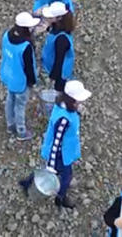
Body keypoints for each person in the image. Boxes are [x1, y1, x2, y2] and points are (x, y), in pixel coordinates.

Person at [18, 79, 92, 208]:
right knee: (66, 176)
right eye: (78, 99)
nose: (81, 101)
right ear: (71, 100)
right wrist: (52, 164)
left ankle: (27, 182)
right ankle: (60, 198)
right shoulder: (64, 120)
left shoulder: (61, 105)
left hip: (62, 150)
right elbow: (56, 143)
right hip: (60, 154)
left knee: (45, 168)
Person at [0, 11, 40, 139]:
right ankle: (21, 131)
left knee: (9, 100)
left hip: (8, 75)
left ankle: (10, 125)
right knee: (20, 105)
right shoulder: (25, 47)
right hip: (20, 81)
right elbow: (29, 68)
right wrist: (32, 82)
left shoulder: (7, 35)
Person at [40, 2, 74, 92]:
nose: (47, 18)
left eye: (51, 17)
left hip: (59, 76)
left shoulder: (61, 39)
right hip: (49, 68)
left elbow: (59, 61)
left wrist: (52, 78)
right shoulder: (54, 28)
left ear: (59, 18)